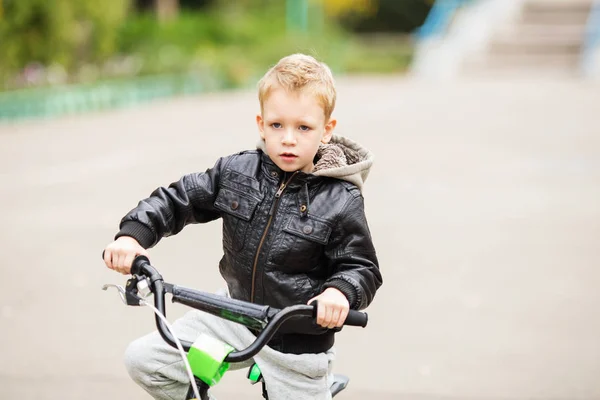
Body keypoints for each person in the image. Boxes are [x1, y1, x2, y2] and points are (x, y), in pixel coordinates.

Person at [103, 53, 383, 400]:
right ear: (261, 124)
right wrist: (133, 234)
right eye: (277, 125)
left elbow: (361, 267)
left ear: (326, 130)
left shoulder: (341, 199)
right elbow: (181, 198)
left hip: (295, 342)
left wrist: (339, 293)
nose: (289, 139)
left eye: (304, 127)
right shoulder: (237, 172)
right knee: (145, 360)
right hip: (233, 315)